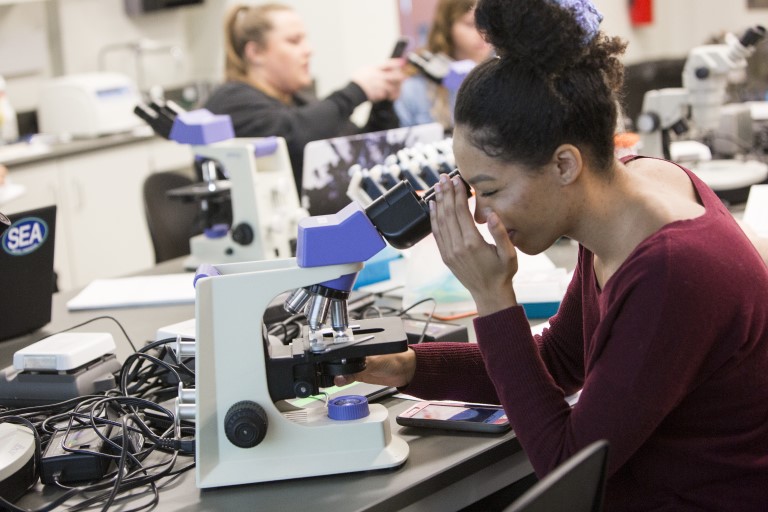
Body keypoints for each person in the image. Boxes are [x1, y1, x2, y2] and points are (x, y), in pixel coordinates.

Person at [337, 0, 768, 509]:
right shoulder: (628, 198)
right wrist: (409, 367)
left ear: (565, 164)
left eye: (490, 190)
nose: (480, 215)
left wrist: (493, 297)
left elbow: (565, 464)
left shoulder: (671, 270)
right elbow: (561, 360)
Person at [204, 3, 405, 191]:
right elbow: (292, 138)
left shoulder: (298, 101)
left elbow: (358, 148)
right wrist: (356, 91)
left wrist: (382, 103)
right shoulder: (231, 100)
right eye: (294, 41)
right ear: (255, 52)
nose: (309, 50)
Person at [394, 0, 492, 131]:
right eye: (470, 24)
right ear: (447, 27)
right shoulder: (414, 87)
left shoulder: (509, 75)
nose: (482, 33)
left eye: (488, 23)